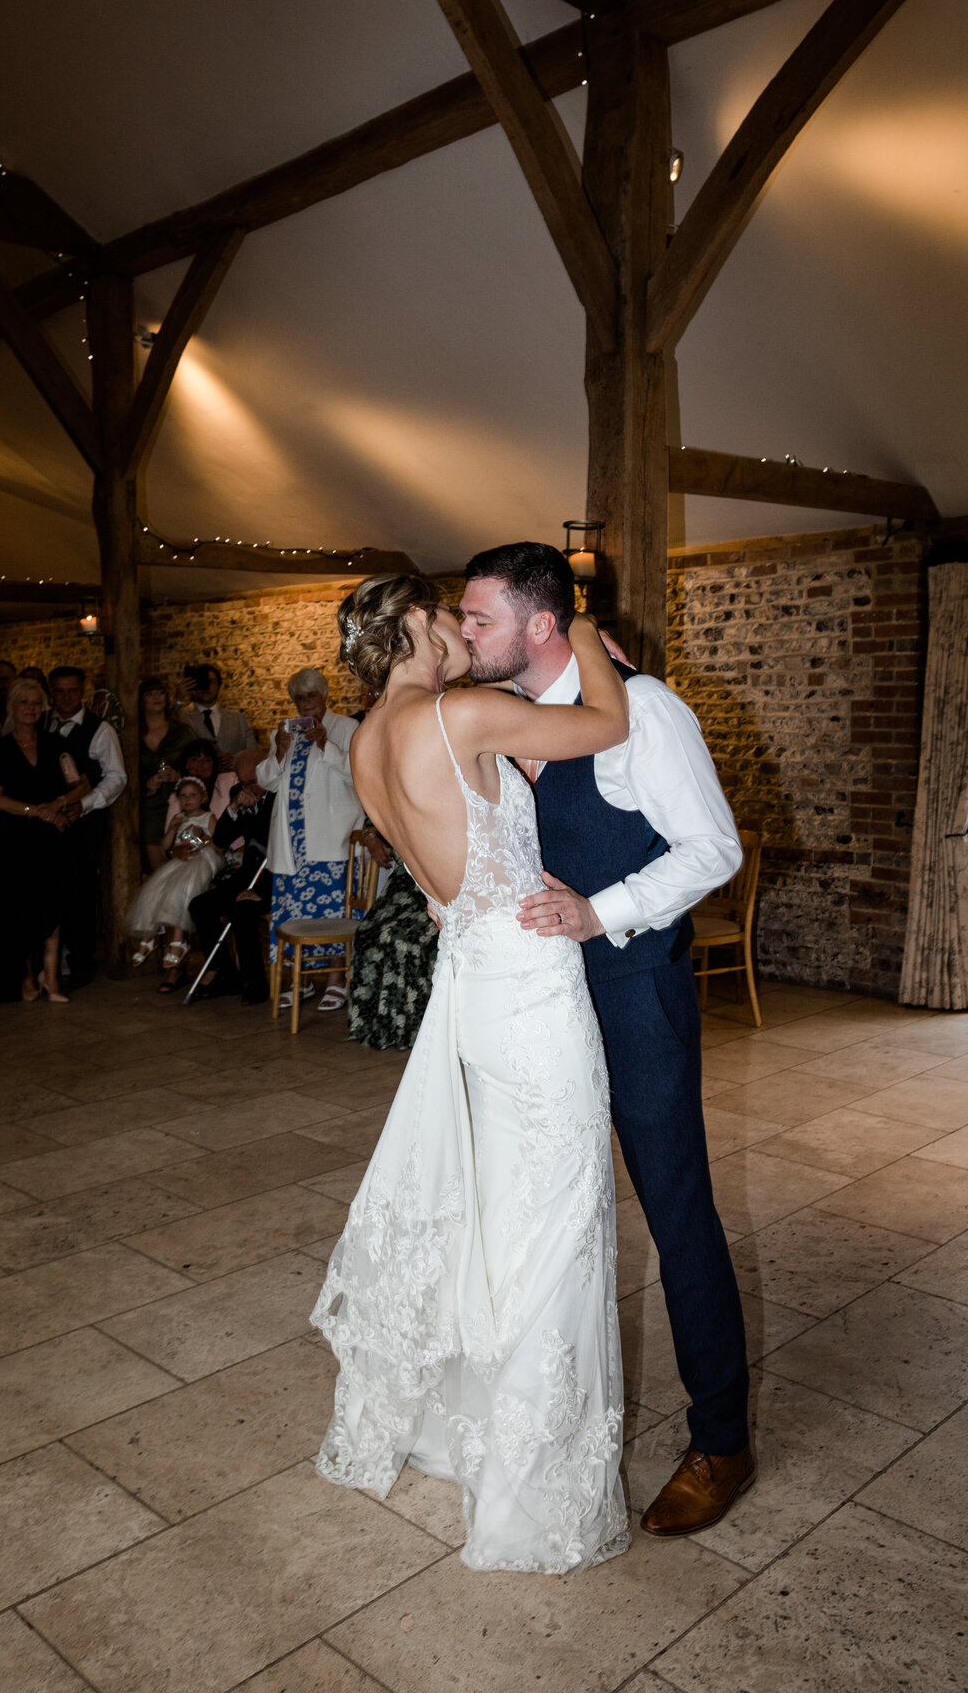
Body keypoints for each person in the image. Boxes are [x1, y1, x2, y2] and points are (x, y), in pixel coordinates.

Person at [312, 573, 630, 1574]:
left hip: (470, 994)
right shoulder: (466, 713)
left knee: (503, 1210)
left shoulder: (365, 745)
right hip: (533, 989)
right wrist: (584, 629)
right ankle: (531, 1488)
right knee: (562, 1217)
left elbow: (436, 879)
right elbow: (608, 726)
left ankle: (475, 1421)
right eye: (446, 614)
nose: (458, 627)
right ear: (414, 625)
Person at [460, 541, 751, 1541]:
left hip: (633, 993)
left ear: (541, 625)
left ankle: (722, 1439)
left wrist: (604, 913)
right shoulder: (513, 720)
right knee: (557, 1220)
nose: (465, 635)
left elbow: (713, 847)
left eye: (478, 619)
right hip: (542, 1009)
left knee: (677, 1213)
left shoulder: (646, 711)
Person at [256, 668, 361, 1014]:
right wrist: (279, 751)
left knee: (330, 911)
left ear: (324, 696)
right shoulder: (286, 732)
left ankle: (335, 982)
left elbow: (359, 773)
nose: (305, 704)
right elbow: (267, 781)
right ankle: (299, 983)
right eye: (299, 699)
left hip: (331, 836)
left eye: (311, 696)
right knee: (293, 912)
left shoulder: (346, 728)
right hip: (291, 840)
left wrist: (324, 745)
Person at [0, 677, 88, 1004]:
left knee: (52, 906)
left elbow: (81, 785)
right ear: (12, 708)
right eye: (23, 703)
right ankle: (27, 977)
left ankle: (52, 976)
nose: (30, 709)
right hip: (16, 838)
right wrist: (35, 811)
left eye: (35, 703)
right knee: (20, 910)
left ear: (44, 707)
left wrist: (56, 805)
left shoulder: (56, 744)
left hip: (51, 836)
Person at [47, 665, 127, 987]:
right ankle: (50, 959)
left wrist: (86, 803)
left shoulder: (100, 729)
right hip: (45, 820)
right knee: (49, 890)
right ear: (51, 692)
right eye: (59, 691)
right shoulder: (41, 722)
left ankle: (80, 959)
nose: (66, 697)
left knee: (79, 891)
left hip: (84, 822)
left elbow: (117, 777)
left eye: (72, 690)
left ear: (82, 691)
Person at [187, 748, 274, 1005]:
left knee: (242, 910)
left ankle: (256, 985)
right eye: (242, 782)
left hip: (276, 876)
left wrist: (260, 888)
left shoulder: (280, 795)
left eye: (253, 782)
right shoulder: (240, 795)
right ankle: (226, 974)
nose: (249, 788)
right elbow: (222, 840)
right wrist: (234, 808)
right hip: (248, 873)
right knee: (200, 906)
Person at [347, 825, 439, 1051]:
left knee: (402, 940)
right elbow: (377, 814)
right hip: (408, 879)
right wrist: (371, 835)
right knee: (368, 932)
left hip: (443, 879)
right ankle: (376, 1025)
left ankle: (411, 1030)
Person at [126, 775, 219, 992]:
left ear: (203, 798)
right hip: (181, 862)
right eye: (183, 796)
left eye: (193, 795)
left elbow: (217, 845)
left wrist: (202, 836)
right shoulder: (178, 819)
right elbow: (165, 847)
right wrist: (171, 830)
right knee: (157, 887)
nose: (188, 800)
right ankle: (149, 938)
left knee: (180, 889)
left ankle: (178, 943)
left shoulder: (208, 817)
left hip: (203, 861)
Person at [139, 677, 197, 871]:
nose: (156, 697)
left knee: (182, 865)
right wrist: (147, 783)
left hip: (180, 802)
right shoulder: (132, 735)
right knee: (158, 870)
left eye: (160, 692)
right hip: (149, 807)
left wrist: (178, 775)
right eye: (149, 693)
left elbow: (199, 765)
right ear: (141, 700)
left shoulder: (182, 732)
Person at [176, 663, 254, 769]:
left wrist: (235, 759)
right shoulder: (181, 716)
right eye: (202, 681)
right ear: (194, 684)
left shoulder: (239, 719)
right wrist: (178, 700)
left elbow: (254, 753)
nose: (207, 687)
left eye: (211, 681)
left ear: (219, 685)